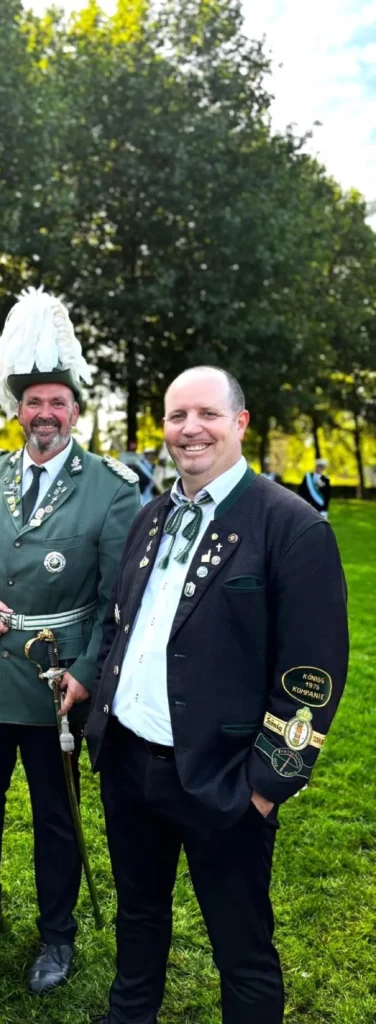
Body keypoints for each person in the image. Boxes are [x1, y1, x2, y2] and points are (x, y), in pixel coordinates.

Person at [85, 366, 348, 1024]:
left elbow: (310, 683)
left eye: (206, 413)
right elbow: (123, 623)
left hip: (224, 783)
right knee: (138, 919)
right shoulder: (153, 516)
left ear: (240, 423)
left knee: (243, 949)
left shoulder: (292, 527)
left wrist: (265, 787)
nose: (189, 428)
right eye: (177, 416)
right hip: (130, 768)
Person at [0, 287, 140, 993]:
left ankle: (57, 936)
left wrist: (86, 673)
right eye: (33, 403)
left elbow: (119, 601)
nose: (44, 414)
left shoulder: (112, 490)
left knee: (56, 819)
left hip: (59, 686)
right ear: (17, 410)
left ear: (75, 412)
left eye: (58, 403)